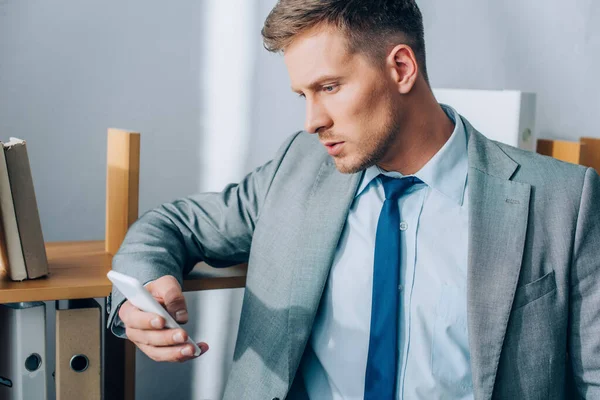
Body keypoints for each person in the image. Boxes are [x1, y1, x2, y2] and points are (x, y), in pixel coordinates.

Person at [108, 1, 600, 399]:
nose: (312, 120)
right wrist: (144, 292)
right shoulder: (298, 168)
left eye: (328, 87)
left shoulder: (563, 200)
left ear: (401, 67)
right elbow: (173, 224)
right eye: (303, 94)